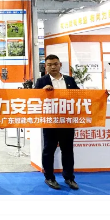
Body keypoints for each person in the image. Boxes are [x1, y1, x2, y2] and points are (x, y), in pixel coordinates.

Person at [34, 54, 80, 190]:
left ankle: (69, 177)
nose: (53, 67)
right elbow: (34, 99)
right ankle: (49, 177)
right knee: (49, 150)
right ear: (45, 67)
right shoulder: (41, 81)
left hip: (67, 121)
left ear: (60, 65)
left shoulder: (70, 80)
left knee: (68, 151)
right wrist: (42, 92)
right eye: (49, 65)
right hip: (50, 122)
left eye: (55, 64)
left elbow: (80, 96)